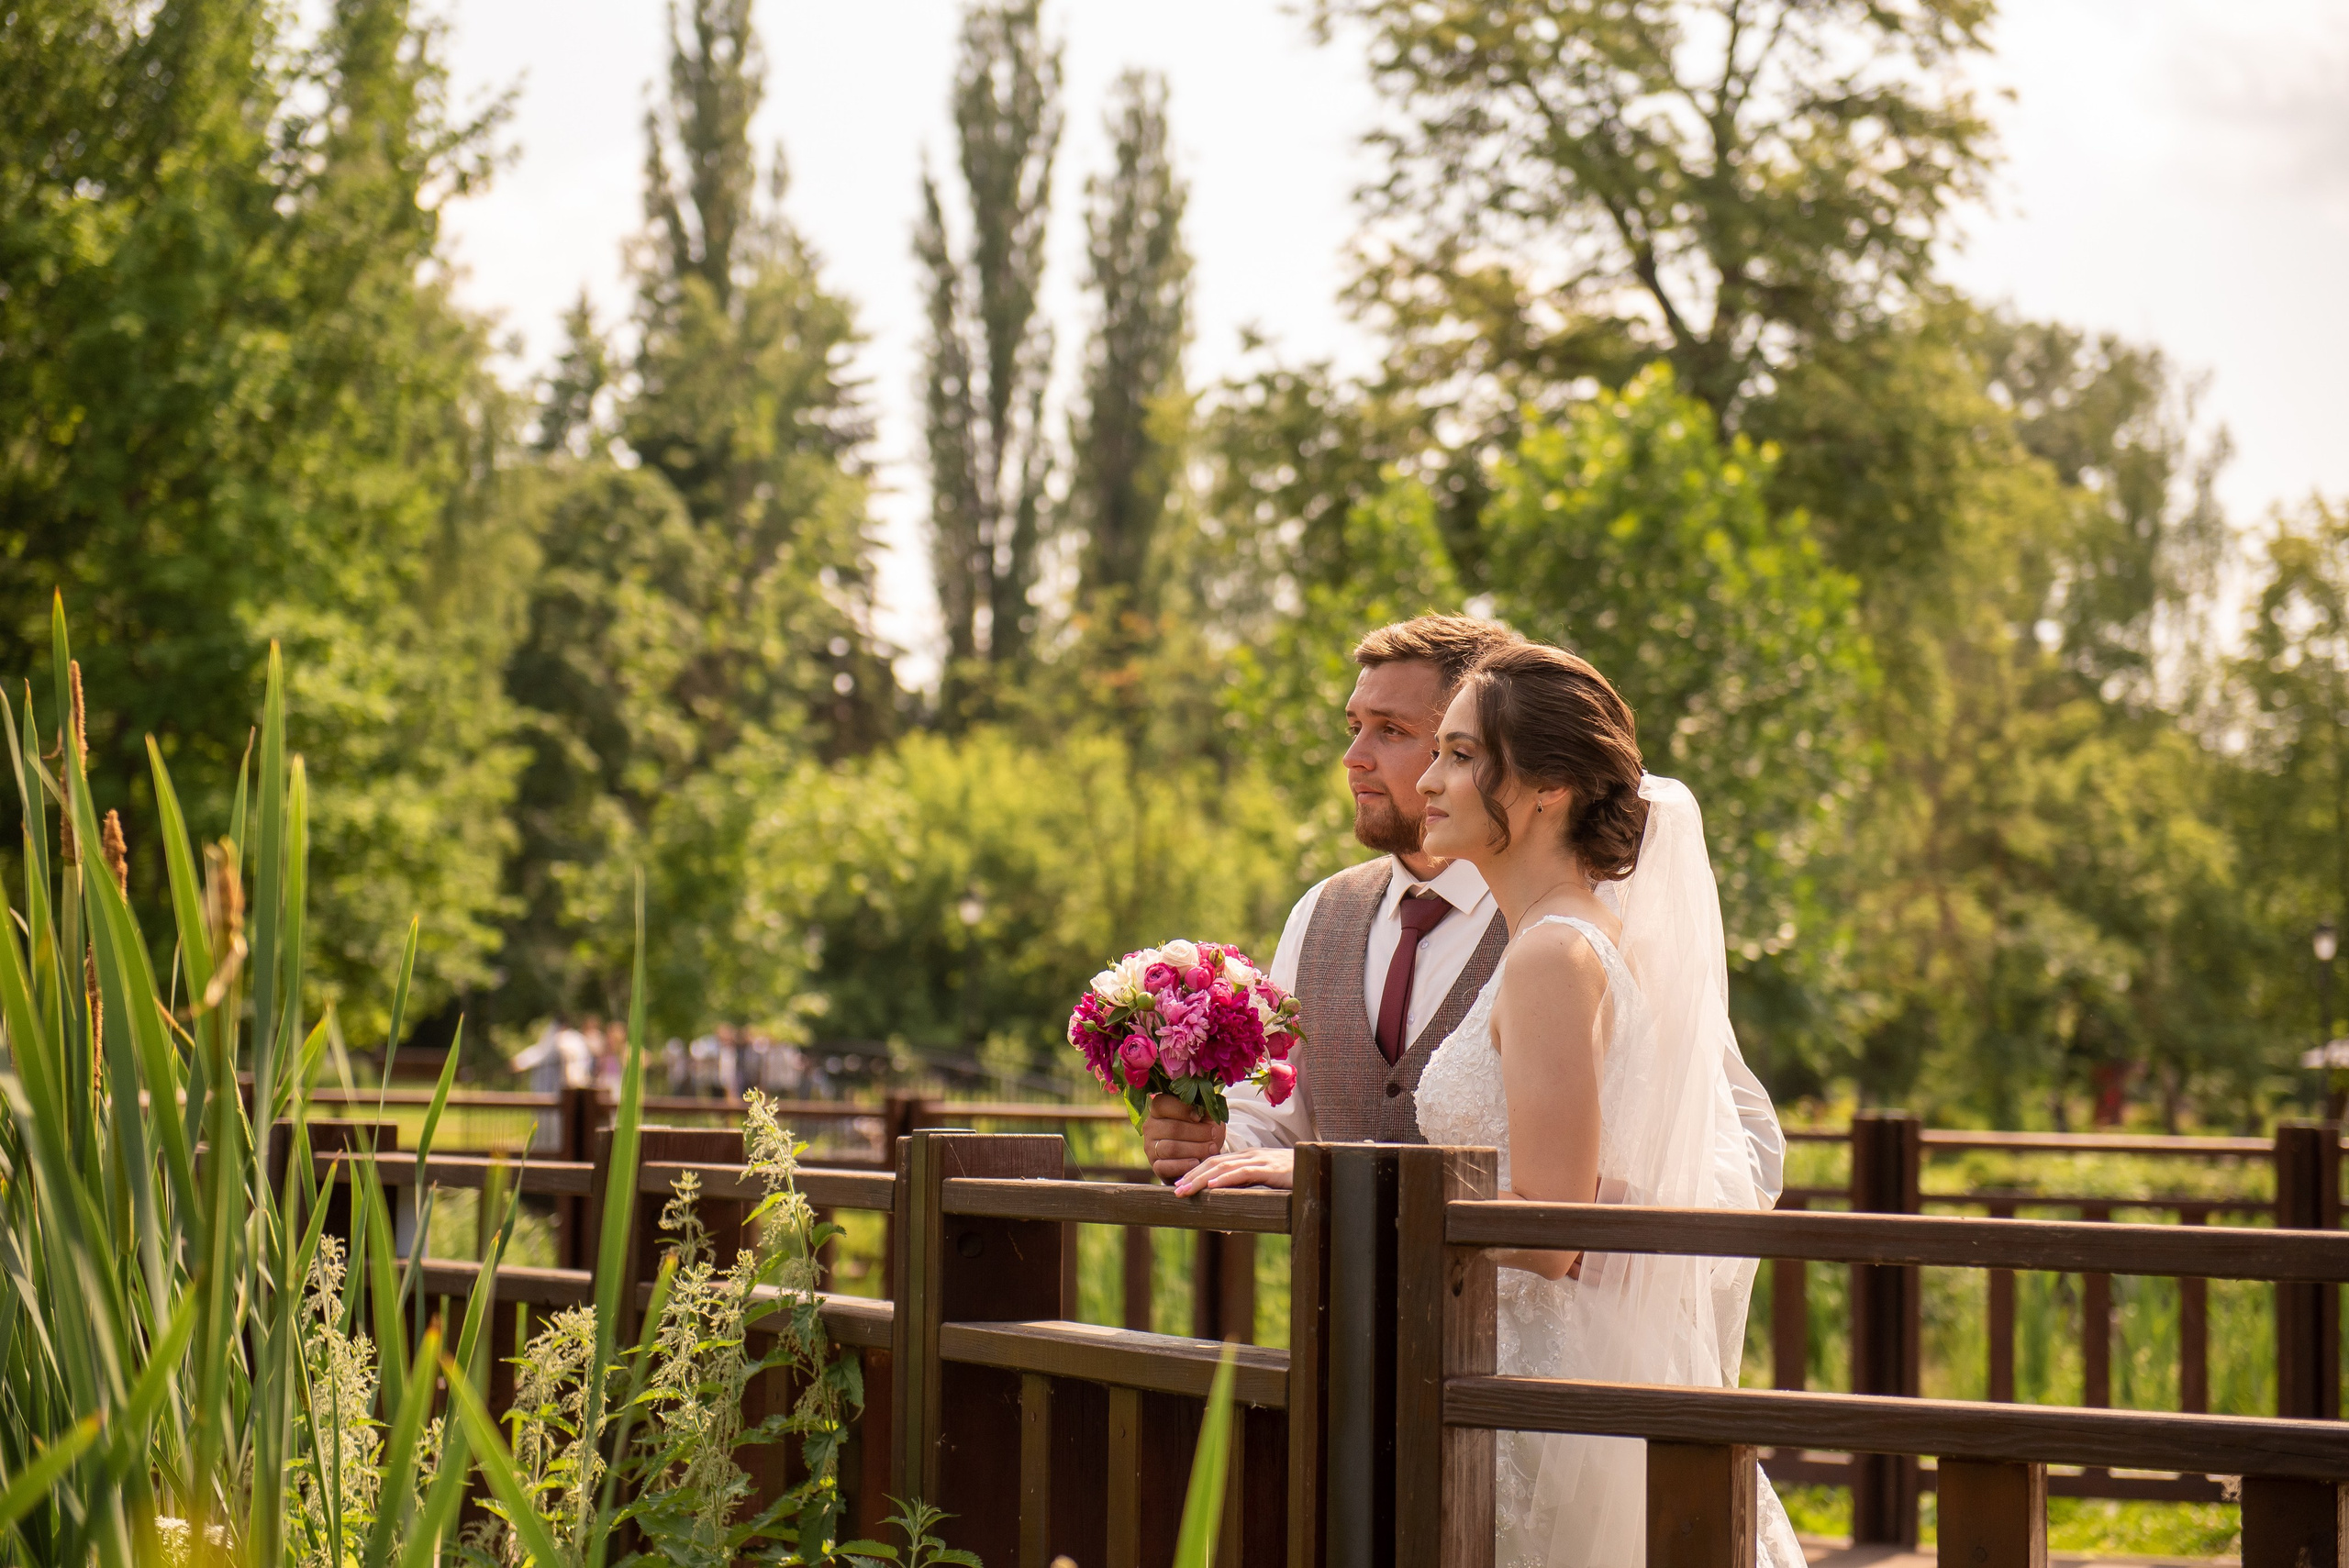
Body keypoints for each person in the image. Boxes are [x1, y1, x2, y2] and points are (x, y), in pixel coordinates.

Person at [1150, 617, 1784, 1209]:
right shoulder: (1319, 913)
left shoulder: (1585, 926)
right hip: (1338, 1319)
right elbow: (1276, 1130)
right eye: (1354, 728)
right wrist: (1210, 1144)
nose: (1354, 758)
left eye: (1396, 733)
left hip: (1506, 1316)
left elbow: (1723, 1152)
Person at [1405, 641, 1800, 1565]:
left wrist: (1371, 1193)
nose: (1428, 777)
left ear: (1548, 788)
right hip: (1549, 1357)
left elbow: (1551, 1228)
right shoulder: (1584, 936)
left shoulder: (1551, 954)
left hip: (1546, 1388)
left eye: (1460, 754)